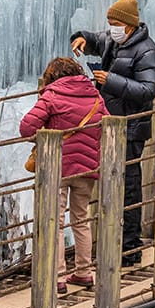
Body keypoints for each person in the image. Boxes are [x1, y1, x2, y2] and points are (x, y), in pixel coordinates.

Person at [70, 0, 155, 264]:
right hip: (109, 124)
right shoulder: (113, 39)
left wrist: (111, 81)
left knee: (129, 185)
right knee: (111, 182)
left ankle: (130, 248)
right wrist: (82, 38)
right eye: (109, 22)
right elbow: (97, 39)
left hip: (132, 127)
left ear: (129, 25)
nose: (111, 27)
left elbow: (149, 90)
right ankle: (111, 240)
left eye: (115, 22)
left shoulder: (147, 51)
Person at [19, 57, 106, 291]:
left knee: (54, 222)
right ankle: (84, 272)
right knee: (81, 219)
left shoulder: (52, 95)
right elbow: (106, 124)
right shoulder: (95, 96)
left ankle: (57, 277)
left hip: (58, 167)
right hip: (88, 168)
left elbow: (26, 127)